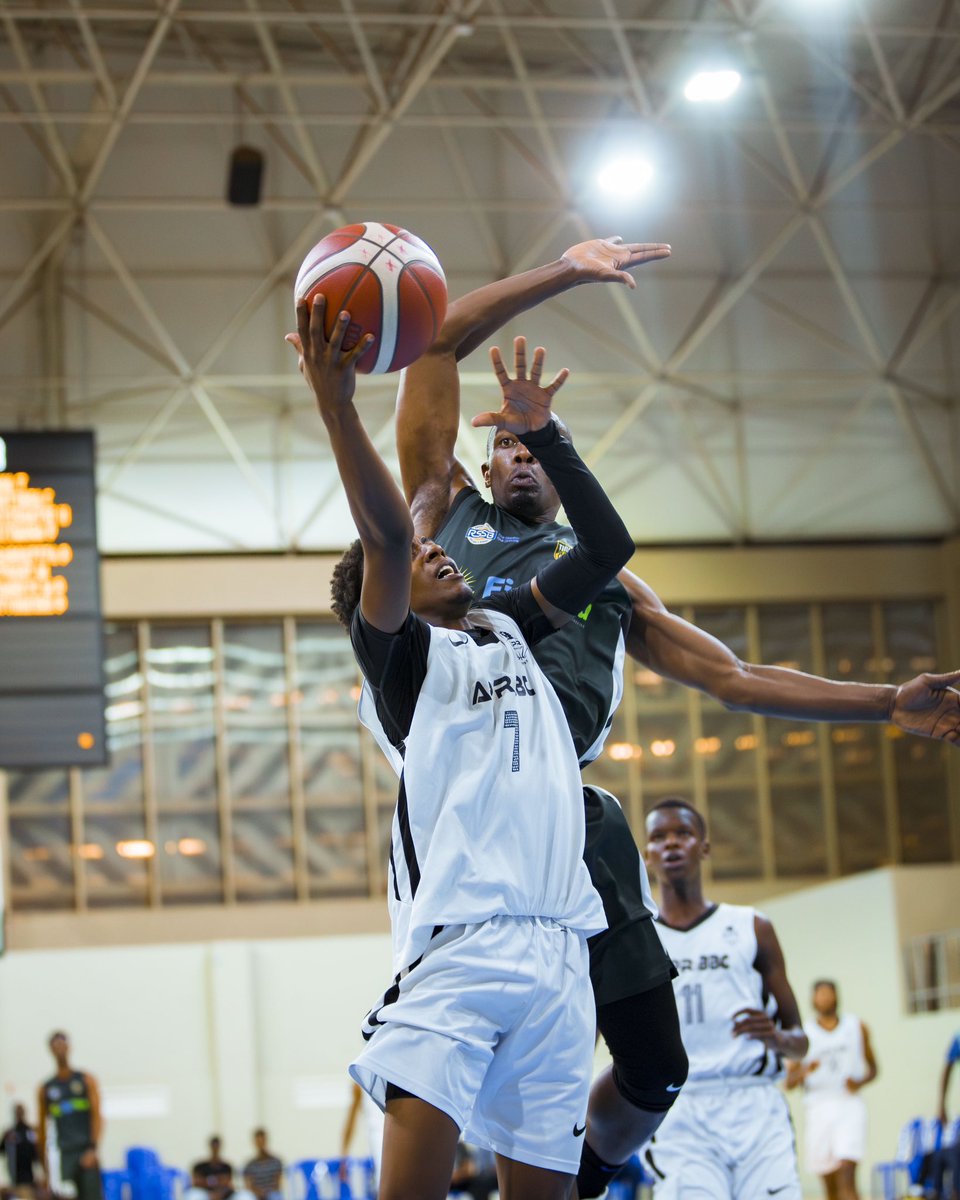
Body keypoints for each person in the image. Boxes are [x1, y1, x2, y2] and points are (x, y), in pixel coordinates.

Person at [394, 234, 960, 1196]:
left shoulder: (604, 574)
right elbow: (434, 339)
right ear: (485, 462)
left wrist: (883, 704)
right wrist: (566, 272)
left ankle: (584, 1173)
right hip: (466, 814)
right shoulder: (437, 520)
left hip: (571, 811)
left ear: (559, 466)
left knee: (657, 1067)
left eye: (539, 445)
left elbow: (734, 677)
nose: (522, 455)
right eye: (507, 442)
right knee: (464, 1045)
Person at [285, 295, 633, 1200]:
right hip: (461, 948)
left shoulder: (509, 625)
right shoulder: (400, 662)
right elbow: (393, 534)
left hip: (560, 953)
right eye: (412, 567)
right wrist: (336, 407)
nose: (440, 558)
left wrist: (546, 436)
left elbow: (609, 545)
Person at [642, 797, 806, 1199]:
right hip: (680, 1108)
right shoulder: (641, 939)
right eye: (659, 837)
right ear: (647, 855)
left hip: (755, 1105)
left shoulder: (752, 926)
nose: (671, 845)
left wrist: (777, 1039)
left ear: (704, 847)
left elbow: (800, 1041)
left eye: (683, 833)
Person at [786, 980, 878, 1200]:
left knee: (847, 1170)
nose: (825, 998)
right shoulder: (804, 1034)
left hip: (848, 1103)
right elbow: (789, 1082)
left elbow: (874, 1069)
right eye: (820, 994)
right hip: (818, 1106)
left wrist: (860, 1082)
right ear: (813, 999)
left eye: (829, 994)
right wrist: (805, 1071)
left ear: (836, 997)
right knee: (830, 1181)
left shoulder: (856, 1027)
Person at [37, 1032, 103, 1200]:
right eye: (55, 1045)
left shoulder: (86, 1080)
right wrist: (45, 1169)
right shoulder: (46, 1088)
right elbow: (42, 1130)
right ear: (50, 1050)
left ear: (69, 1047)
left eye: (62, 1044)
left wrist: (93, 1149)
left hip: (85, 1151)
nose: (59, 1049)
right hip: (64, 1155)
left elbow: (97, 1117)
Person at [2, 1104, 38, 1193]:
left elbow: (34, 1151)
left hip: (28, 1172)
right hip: (15, 1172)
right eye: (17, 1112)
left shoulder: (29, 1131)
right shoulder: (10, 1132)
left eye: (21, 1112)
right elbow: (2, 1150)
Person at [242, 1131, 281, 1200]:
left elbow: (277, 1184)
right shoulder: (250, 1165)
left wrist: (267, 1193)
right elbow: (248, 1185)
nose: (260, 1144)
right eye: (258, 1142)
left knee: (275, 1196)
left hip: (271, 1194)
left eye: (262, 1141)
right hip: (256, 1195)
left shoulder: (275, 1162)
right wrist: (258, 1193)